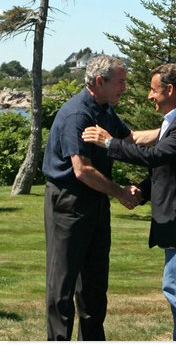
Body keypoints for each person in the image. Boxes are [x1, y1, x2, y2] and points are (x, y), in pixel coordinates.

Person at [82, 62, 176, 341]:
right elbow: (165, 170)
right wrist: (139, 192)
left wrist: (110, 143)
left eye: (152, 89)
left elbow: (154, 157)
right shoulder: (175, 122)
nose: (149, 96)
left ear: (169, 90)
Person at [42, 54, 159, 341]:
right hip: (68, 202)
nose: (124, 88)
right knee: (63, 286)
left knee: (94, 287)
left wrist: (171, 129)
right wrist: (120, 192)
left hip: (95, 202)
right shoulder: (78, 114)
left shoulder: (104, 110)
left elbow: (129, 140)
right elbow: (81, 171)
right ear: (99, 81)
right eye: (120, 82)